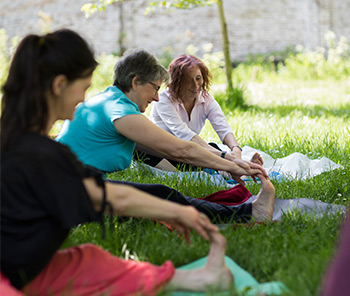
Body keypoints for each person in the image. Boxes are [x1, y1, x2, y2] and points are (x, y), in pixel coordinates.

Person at [0, 29, 242, 296]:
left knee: (92, 260)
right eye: (83, 88)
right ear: (59, 86)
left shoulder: (27, 143)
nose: (83, 98)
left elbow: (111, 190)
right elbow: (107, 197)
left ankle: (198, 280)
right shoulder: (34, 151)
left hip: (27, 270)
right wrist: (178, 212)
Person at [56, 49, 275, 223]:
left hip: (69, 186)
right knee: (161, 195)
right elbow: (180, 150)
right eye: (155, 88)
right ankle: (250, 213)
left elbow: (167, 148)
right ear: (135, 82)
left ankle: (244, 211)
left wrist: (227, 160)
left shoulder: (110, 102)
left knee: (159, 196)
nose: (157, 98)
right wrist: (232, 166)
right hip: (63, 190)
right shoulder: (119, 111)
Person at [149, 54, 263, 169]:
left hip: (189, 151)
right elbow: (185, 134)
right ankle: (237, 167)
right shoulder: (164, 100)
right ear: (177, 82)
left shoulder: (205, 99)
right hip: (165, 153)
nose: (195, 85)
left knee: (211, 148)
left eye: (198, 78)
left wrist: (236, 149)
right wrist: (225, 156)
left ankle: (240, 167)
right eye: (188, 80)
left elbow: (222, 126)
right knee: (207, 154)